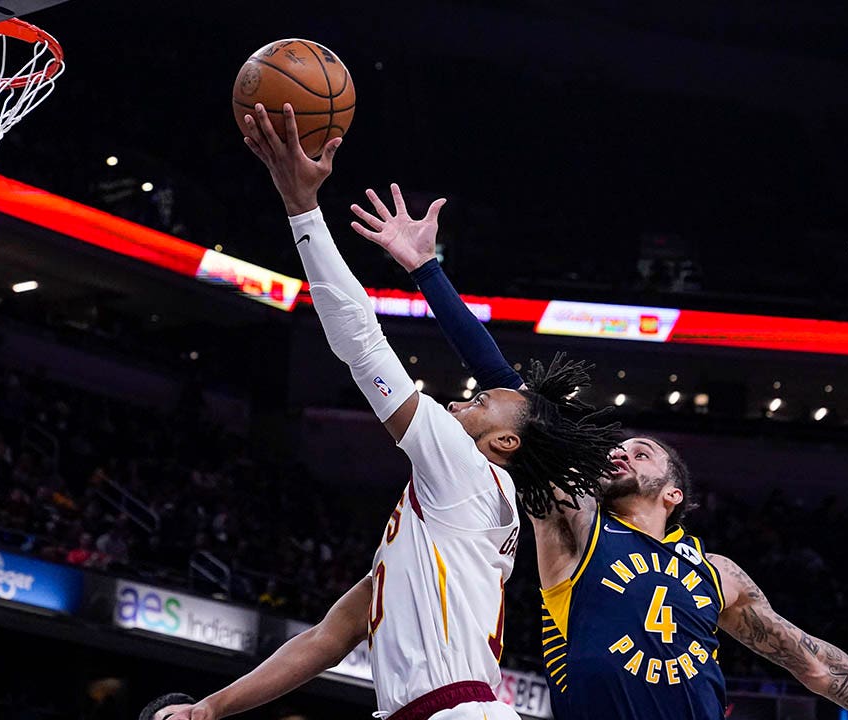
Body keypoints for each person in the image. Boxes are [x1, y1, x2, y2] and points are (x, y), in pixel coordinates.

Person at [350, 188, 848, 720]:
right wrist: (426, 270)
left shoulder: (719, 575)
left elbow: (817, 666)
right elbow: (508, 391)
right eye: (618, 450)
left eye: (642, 453)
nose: (620, 454)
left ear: (674, 493)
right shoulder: (575, 519)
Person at [152, 103, 619, 720]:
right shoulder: (444, 524)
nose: (461, 399)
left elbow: (364, 343)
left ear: (505, 443)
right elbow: (327, 638)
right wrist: (209, 709)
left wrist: (302, 208)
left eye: (479, 401)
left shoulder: (466, 472)